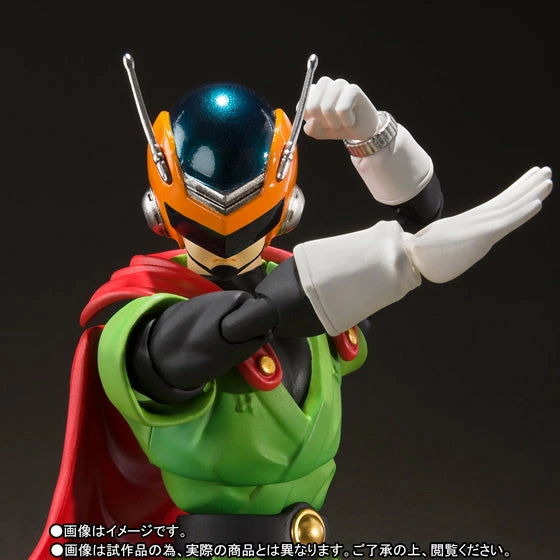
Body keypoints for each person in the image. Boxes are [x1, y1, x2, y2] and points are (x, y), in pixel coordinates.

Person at [29, 54, 552, 559]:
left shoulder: (314, 297)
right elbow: (240, 322)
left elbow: (423, 227)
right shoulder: (141, 322)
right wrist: (403, 261)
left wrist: (375, 139)